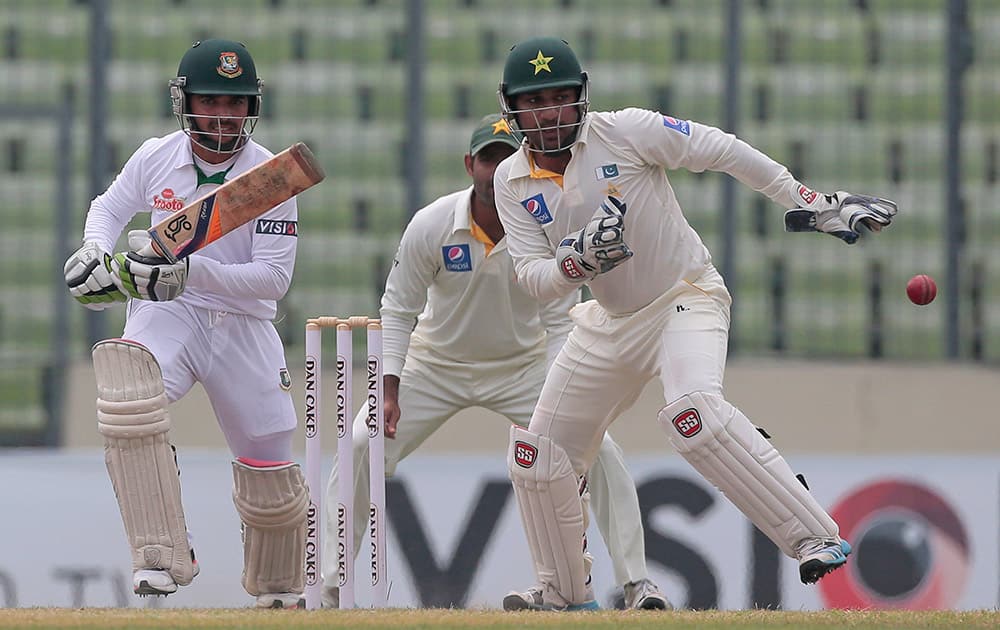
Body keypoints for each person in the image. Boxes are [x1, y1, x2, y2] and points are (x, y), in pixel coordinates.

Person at [492, 37, 898, 611]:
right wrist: (573, 263)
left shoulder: (625, 131)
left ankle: (815, 536)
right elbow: (533, 279)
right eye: (537, 101)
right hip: (607, 322)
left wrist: (811, 200)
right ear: (513, 109)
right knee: (538, 457)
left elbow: (721, 149)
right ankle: (562, 594)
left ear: (580, 98)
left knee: (692, 416)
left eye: (561, 98)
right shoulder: (511, 181)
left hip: (684, 297)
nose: (551, 113)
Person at [321, 114, 669, 611]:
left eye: (509, 158)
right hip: (434, 364)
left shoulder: (547, 227)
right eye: (488, 158)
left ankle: (636, 585)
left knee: (603, 452)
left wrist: (565, 403)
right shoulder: (433, 223)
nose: (497, 168)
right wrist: (389, 386)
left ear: (524, 164)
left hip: (524, 368)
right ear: (470, 164)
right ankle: (331, 589)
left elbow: (559, 322)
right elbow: (397, 309)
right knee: (360, 443)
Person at [62, 39, 308, 609]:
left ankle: (276, 587)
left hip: (241, 326)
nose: (223, 115)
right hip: (165, 315)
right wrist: (95, 251)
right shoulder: (155, 156)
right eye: (211, 101)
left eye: (235, 103)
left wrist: (190, 269)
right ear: (186, 101)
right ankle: (162, 554)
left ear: (252, 108)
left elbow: (271, 281)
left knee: (269, 454)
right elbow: (108, 207)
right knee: (127, 395)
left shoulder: (272, 177)